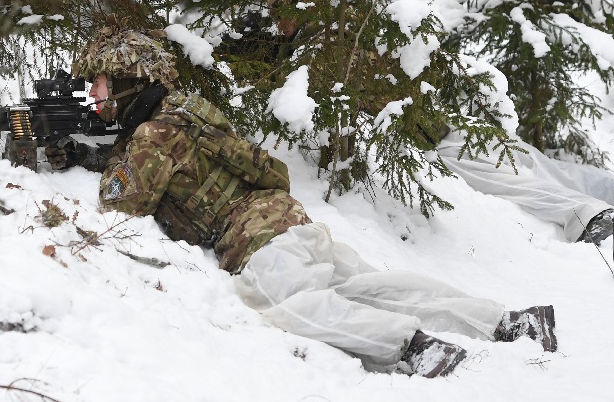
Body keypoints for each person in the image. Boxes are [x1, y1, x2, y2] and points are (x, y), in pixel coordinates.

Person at [45, 23, 558, 378]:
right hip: (293, 225)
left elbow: (121, 205)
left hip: (262, 244)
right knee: (373, 287)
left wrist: (99, 161)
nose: (95, 93)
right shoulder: (184, 109)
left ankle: (414, 347)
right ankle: (508, 321)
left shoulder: (151, 137)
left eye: (101, 81)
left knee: (289, 308)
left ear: (129, 80)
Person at [432, 130, 614, 245]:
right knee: (540, 170)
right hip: (453, 128)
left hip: (439, 137)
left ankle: (603, 210)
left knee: (520, 178)